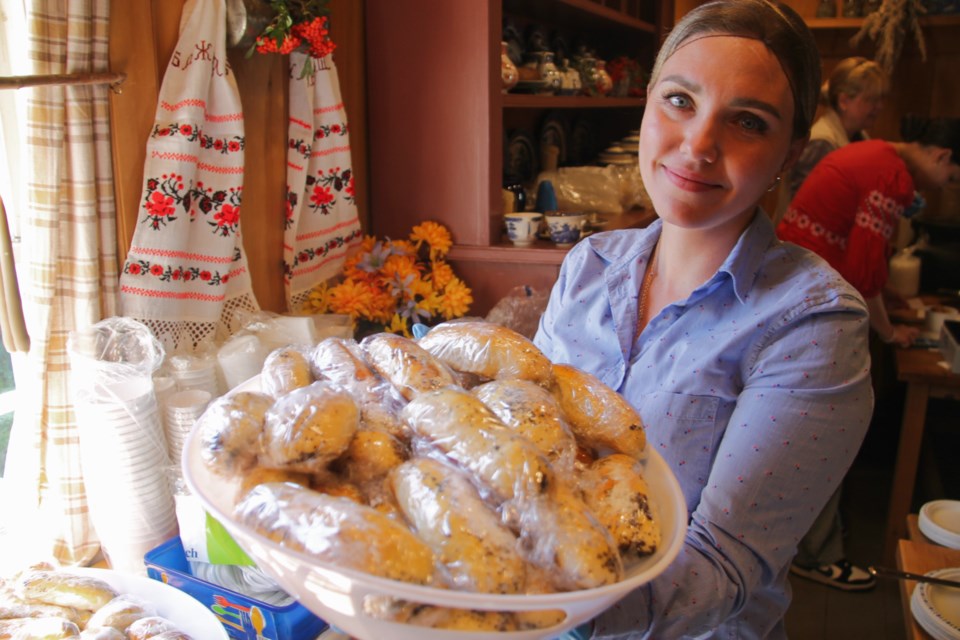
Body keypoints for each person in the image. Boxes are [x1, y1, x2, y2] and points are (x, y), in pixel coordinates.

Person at [534, 1, 876, 637]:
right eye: (679, 101)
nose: (697, 145)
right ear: (646, 107)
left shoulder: (812, 324)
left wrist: (513, 614)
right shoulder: (587, 267)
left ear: (790, 153)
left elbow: (718, 565)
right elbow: (530, 440)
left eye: (747, 121)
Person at [777, 123, 960, 349]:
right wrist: (890, 333)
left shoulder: (879, 151)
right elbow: (864, 269)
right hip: (810, 290)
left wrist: (884, 289)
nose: (943, 186)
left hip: (791, 273)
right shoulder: (893, 177)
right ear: (943, 156)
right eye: (951, 178)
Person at [772, 56, 888, 225]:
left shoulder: (860, 138)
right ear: (844, 101)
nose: (879, 107)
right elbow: (807, 211)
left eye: (880, 100)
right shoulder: (821, 143)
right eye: (871, 100)